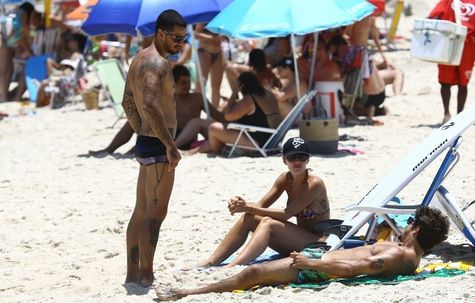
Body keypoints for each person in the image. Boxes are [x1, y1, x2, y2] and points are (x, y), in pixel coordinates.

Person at [156, 206, 450, 300]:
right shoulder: (404, 251)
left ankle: (185, 293)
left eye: (409, 223)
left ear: (417, 232)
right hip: (321, 256)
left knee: (253, 273)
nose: (405, 225)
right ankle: (204, 276)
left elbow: (356, 269)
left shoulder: (402, 257)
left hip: (317, 265)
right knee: (263, 241)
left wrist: (312, 263)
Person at [121, 9, 186, 287]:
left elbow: (127, 102)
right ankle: (146, 273)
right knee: (155, 213)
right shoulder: (157, 64)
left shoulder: (139, 58)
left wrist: (141, 130)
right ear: (160, 33)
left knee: (141, 209)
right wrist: (169, 144)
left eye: (184, 38)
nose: (180, 43)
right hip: (160, 144)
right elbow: (148, 102)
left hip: (147, 140)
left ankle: (132, 273)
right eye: (175, 37)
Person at [198, 137, 330, 268]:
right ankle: (210, 262)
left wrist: (247, 207)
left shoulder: (314, 184)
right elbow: (260, 204)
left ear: (308, 160)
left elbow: (286, 214)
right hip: (295, 241)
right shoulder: (285, 178)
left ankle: (233, 266)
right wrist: (241, 204)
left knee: (268, 223)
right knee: (248, 218)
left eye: (301, 157)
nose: (297, 162)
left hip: (317, 244)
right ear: (284, 160)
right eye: (292, 157)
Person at [89, 65, 222, 156]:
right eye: (183, 83)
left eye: (188, 82)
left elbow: (218, 116)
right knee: (135, 119)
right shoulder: (165, 98)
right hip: (166, 136)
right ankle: (109, 149)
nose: (187, 86)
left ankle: (135, 150)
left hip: (186, 140)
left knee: (192, 122)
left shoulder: (197, 98)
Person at [428, 0, 475, 124]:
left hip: (448, 42)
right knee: (463, 84)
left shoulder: (448, 1)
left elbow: (432, 18)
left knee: (445, 81)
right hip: (468, 44)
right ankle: (459, 115)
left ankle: (446, 113)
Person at [188, 72, 281, 154]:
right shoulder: (269, 94)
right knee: (224, 129)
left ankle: (216, 152)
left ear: (241, 86)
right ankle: (194, 151)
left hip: (258, 143)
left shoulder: (249, 99)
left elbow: (228, 116)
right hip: (271, 139)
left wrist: (233, 94)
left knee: (214, 128)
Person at [194, 23, 225, 109]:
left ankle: (215, 116)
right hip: (204, 52)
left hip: (218, 53)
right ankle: (196, 112)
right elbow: (195, 35)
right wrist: (213, 38)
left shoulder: (222, 15)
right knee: (201, 85)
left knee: (216, 87)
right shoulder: (204, 18)